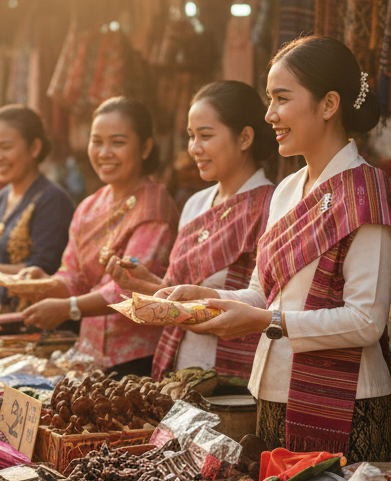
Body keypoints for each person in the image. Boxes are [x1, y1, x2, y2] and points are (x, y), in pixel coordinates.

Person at [162, 36, 391, 458]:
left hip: (347, 404)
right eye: (270, 99)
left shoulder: (366, 189)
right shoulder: (287, 190)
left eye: (282, 98)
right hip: (273, 391)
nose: (269, 114)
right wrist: (208, 299)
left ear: (329, 105)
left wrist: (266, 320)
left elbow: (366, 321)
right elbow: (263, 293)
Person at [108, 82, 277, 381]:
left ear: (245, 138)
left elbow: (267, 301)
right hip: (178, 364)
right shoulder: (194, 203)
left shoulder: (272, 205)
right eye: (191, 136)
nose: (194, 148)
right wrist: (147, 283)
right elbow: (183, 297)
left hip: (233, 376)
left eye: (206, 136)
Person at [21, 97, 179, 376]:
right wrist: (45, 284)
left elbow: (132, 287)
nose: (104, 153)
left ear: (145, 148)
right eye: (97, 142)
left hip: (138, 356)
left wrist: (68, 307)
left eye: (117, 142)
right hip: (89, 353)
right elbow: (73, 274)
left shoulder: (154, 206)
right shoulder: (89, 206)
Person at [0, 105, 75, 313]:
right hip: (1, 319)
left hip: (38, 321)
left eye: (5, 147)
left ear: (34, 148)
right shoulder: (1, 198)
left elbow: (43, 268)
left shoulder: (52, 200)